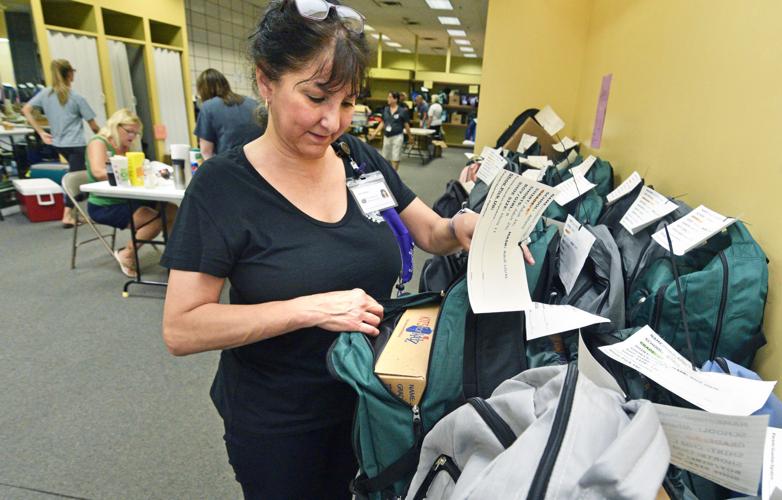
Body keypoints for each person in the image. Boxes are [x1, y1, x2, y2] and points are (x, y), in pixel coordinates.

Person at [160, 1, 536, 497]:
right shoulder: (222, 187)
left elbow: (430, 232)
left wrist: (463, 225)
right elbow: (182, 328)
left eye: (348, 102)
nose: (332, 121)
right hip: (281, 421)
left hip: (373, 401)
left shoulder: (356, 159)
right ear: (266, 81)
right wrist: (310, 309)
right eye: (316, 97)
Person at [85, 108, 176, 278]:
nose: (133, 136)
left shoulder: (125, 147)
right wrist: (130, 171)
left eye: (136, 133)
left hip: (128, 198)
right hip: (105, 205)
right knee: (158, 218)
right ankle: (126, 253)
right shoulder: (98, 142)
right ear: (116, 126)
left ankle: (173, 255)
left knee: (172, 210)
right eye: (129, 131)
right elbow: (98, 172)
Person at [22, 59, 100, 227]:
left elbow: (25, 110)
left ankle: (75, 214)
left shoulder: (46, 94)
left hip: (58, 144)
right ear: (70, 74)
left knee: (74, 175)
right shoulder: (77, 98)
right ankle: (67, 215)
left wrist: (41, 132)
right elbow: (94, 126)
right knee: (77, 180)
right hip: (76, 144)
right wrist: (104, 140)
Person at [194, 68, 265, 159]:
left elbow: (206, 151)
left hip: (228, 163)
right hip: (259, 160)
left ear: (202, 90)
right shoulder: (253, 103)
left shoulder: (208, 107)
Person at [368, 91, 411, 170]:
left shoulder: (402, 111)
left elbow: (406, 125)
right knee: (385, 157)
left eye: (390, 97)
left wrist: (410, 136)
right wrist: (375, 133)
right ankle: (387, 173)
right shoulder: (386, 109)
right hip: (387, 136)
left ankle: (394, 175)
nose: (388, 99)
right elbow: (383, 123)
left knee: (395, 157)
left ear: (395, 99)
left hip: (397, 136)